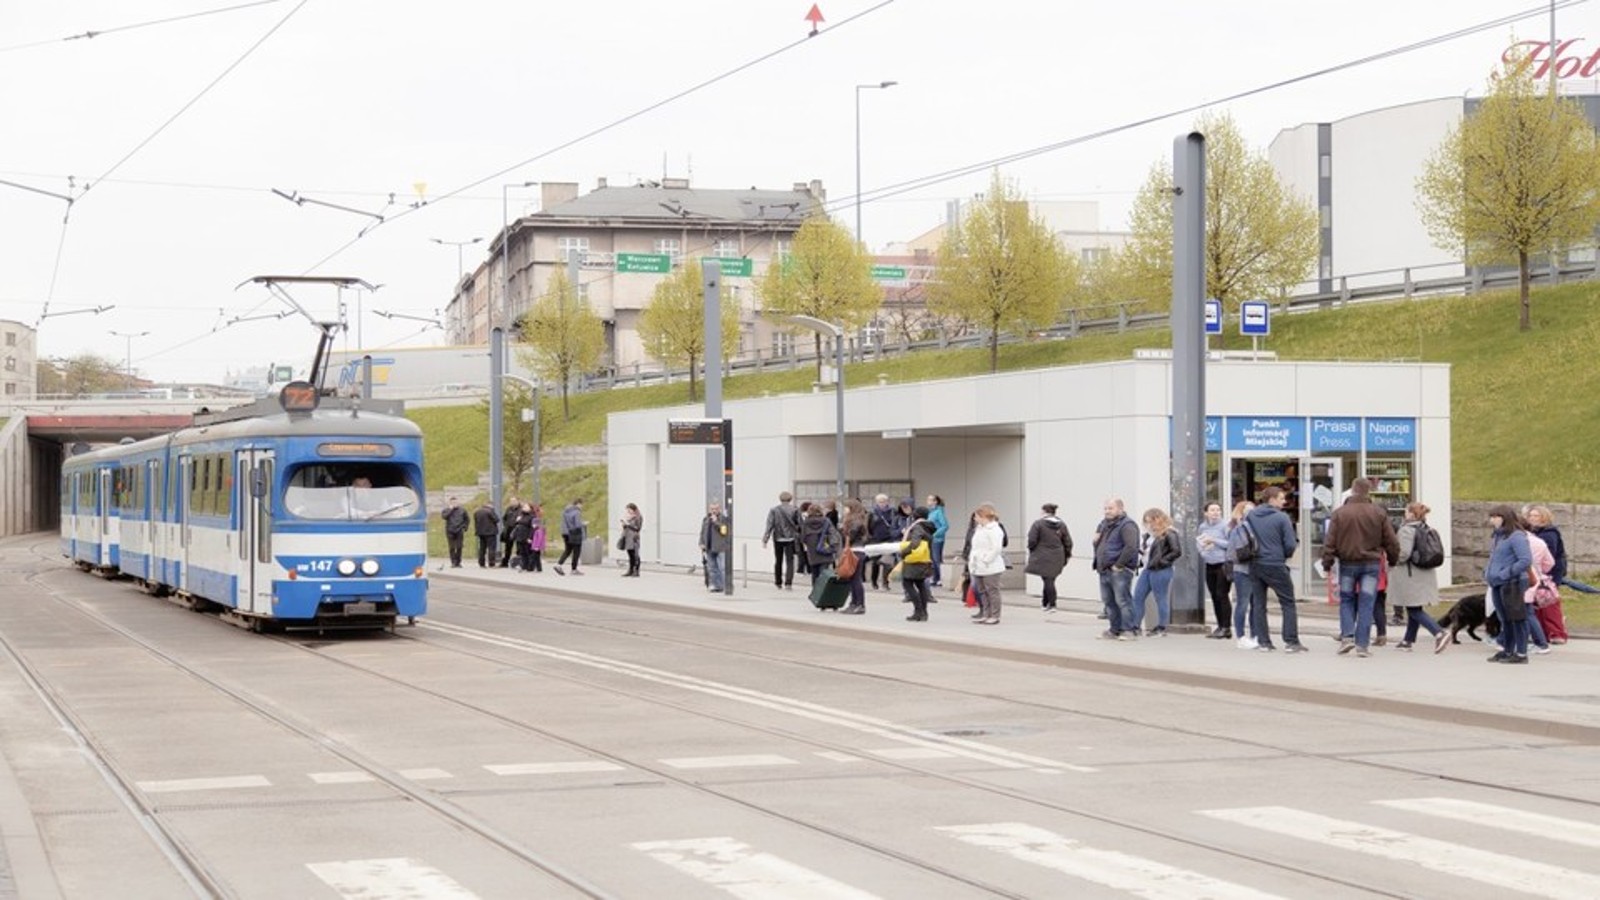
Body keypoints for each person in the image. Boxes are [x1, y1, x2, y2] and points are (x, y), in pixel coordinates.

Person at [1321, 478, 1400, 658]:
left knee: (1347, 600)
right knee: (1367, 602)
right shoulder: (1378, 513)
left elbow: (1329, 542)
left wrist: (1327, 563)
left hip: (1348, 562)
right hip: (1371, 564)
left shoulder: (1339, 513)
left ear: (1353, 490)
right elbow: (1391, 541)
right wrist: (1392, 561)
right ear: (1368, 491)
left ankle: (1347, 637)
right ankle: (1362, 645)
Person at [1248, 486, 1310, 654]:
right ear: (1272, 499)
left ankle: (1263, 641)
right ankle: (1291, 641)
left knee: (1259, 604)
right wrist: (1284, 555)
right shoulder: (1281, 517)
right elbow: (1290, 544)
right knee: (1288, 602)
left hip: (1254, 563)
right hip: (1275, 563)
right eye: (1281, 499)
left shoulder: (1252, 515)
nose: (1284, 502)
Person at [1390, 503, 1444, 652]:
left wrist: (1392, 559)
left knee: (1413, 609)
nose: (1404, 514)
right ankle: (1408, 640)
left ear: (1412, 515)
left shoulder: (1407, 530)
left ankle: (1439, 632)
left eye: (1406, 512)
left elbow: (1404, 553)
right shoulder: (1427, 529)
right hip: (1424, 573)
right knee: (1414, 606)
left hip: (1410, 575)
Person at [1484, 504, 1533, 664]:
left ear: (1504, 517)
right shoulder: (1499, 536)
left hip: (1513, 582)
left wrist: (1505, 573)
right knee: (1504, 618)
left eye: (1495, 517)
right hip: (1497, 583)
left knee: (1517, 618)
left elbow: (1525, 560)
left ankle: (1521, 653)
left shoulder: (1517, 536)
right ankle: (1507, 650)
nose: (1492, 520)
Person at [1523, 505, 1573, 643]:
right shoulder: (1535, 533)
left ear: (1544, 518)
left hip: (1549, 573)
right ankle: (1543, 632)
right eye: (1531, 516)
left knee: (1549, 603)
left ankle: (1556, 633)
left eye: (1536, 516)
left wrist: (1545, 573)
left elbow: (1549, 557)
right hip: (1540, 572)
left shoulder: (1549, 534)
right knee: (1538, 603)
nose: (1532, 518)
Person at [1092, 498, 1141, 640]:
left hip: (1120, 570)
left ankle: (1129, 630)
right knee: (1109, 601)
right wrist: (1095, 542)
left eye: (1110, 508)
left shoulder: (1127, 525)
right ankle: (1114, 629)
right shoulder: (1104, 525)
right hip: (1104, 568)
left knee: (1123, 600)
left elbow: (1131, 547)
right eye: (1106, 508)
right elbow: (1100, 545)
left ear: (1120, 508)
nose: (1107, 511)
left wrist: (1119, 565)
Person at [1130, 508, 1182, 636]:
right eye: (1146, 522)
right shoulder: (1149, 535)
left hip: (1161, 569)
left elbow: (1176, 551)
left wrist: (1162, 562)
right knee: (1138, 596)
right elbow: (1148, 551)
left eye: (1151, 521)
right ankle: (1135, 626)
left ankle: (1162, 627)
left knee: (1161, 598)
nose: (1149, 525)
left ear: (1158, 520)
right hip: (1148, 568)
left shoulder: (1169, 533)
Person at [1025, 503, 1073, 612]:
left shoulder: (1038, 524)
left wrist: (1033, 550)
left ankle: (1052, 604)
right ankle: (1045, 603)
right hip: (1057, 555)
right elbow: (1068, 541)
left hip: (1042, 554)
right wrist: (1067, 554)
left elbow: (1032, 540)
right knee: (1049, 579)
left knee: (1048, 579)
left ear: (1044, 511)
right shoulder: (1062, 524)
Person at [1197, 501, 1233, 638]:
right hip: (1209, 562)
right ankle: (1219, 626)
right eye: (1212, 510)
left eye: (1218, 510)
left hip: (1222, 564)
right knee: (1214, 596)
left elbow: (1231, 544)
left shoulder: (1225, 526)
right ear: (1206, 513)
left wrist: (1215, 540)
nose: (1215, 513)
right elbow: (1199, 542)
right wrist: (1202, 552)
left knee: (1222, 594)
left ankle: (1226, 627)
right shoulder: (1203, 527)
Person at [967, 503, 1007, 624]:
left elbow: (996, 548)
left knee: (992, 590)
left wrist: (986, 559)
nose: (975, 519)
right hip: (978, 565)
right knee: (982, 591)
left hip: (990, 566)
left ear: (983, 516)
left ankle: (995, 615)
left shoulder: (994, 529)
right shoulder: (979, 529)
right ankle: (986, 613)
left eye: (977, 516)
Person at [1226, 501, 1258, 648]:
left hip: (1255, 569)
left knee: (1256, 604)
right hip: (1243, 570)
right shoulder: (1239, 528)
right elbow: (1233, 552)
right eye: (1248, 511)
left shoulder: (1256, 527)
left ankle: (1255, 634)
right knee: (1243, 604)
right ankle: (1241, 636)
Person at [761, 491, 802, 590]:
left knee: (778, 560)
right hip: (791, 538)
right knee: (790, 561)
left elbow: (769, 525)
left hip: (778, 538)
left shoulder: (774, 510)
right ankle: (788, 583)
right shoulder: (795, 509)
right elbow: (800, 524)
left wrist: (765, 539)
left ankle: (778, 582)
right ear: (790, 499)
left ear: (780, 499)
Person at [839, 499, 870, 614]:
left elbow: (851, 535)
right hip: (855, 550)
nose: (844, 510)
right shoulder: (857, 520)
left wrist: (843, 530)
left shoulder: (855, 521)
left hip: (855, 551)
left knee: (856, 579)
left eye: (846, 507)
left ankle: (859, 604)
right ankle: (854, 603)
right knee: (852, 579)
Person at [799, 502, 841, 585]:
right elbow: (833, 534)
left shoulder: (806, 523)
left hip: (812, 553)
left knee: (815, 574)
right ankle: (823, 593)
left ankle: (815, 593)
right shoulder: (826, 521)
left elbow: (803, 538)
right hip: (825, 550)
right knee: (824, 574)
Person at [866, 495, 899, 590]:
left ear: (888, 501)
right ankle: (874, 581)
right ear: (876, 502)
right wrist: (870, 538)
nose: (882, 503)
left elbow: (895, 523)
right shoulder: (872, 513)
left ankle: (885, 583)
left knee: (887, 562)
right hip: (875, 540)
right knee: (875, 562)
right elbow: (868, 527)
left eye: (884, 501)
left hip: (889, 539)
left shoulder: (893, 512)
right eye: (880, 501)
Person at [698, 500, 730, 593]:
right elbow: (702, 532)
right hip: (709, 547)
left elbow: (724, 531)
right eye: (712, 509)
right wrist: (701, 542)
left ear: (719, 509)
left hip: (720, 547)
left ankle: (725, 586)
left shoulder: (723, 519)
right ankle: (716, 585)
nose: (714, 511)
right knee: (712, 568)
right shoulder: (706, 519)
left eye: (716, 509)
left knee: (722, 568)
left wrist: (716, 522)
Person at [554, 498, 585, 576]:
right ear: (578, 504)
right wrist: (583, 524)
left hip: (566, 533)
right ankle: (574, 569)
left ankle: (558, 564)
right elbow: (577, 525)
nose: (582, 507)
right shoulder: (576, 512)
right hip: (575, 534)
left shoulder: (565, 511)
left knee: (568, 550)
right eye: (581, 505)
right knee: (576, 551)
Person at [926, 494, 949, 588]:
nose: (928, 502)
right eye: (928, 500)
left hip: (937, 539)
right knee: (932, 559)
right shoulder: (930, 512)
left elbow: (945, 525)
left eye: (931, 500)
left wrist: (934, 534)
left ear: (935, 502)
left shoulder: (939, 512)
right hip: (930, 539)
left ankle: (940, 578)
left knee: (937, 559)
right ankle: (934, 578)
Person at [440, 496, 468, 567]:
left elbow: (467, 519)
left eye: (456, 502)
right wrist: (451, 509)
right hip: (450, 530)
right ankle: (453, 562)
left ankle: (458, 562)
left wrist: (465, 527)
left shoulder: (462, 510)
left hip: (459, 530)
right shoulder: (446, 510)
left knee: (459, 547)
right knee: (452, 547)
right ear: (450, 503)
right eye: (453, 502)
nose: (455, 503)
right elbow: (444, 517)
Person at [472, 500, 500, 567]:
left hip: (481, 533)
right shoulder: (490, 511)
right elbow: (497, 519)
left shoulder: (477, 512)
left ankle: (481, 563)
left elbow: (476, 521)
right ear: (489, 505)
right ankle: (491, 563)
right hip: (491, 532)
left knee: (482, 548)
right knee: (491, 548)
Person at [620, 503, 643, 577]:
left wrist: (628, 525)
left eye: (629, 510)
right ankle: (630, 570)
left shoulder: (638, 517)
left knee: (635, 554)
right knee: (630, 554)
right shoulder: (628, 517)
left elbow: (638, 528)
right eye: (627, 510)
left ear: (633, 509)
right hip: (627, 537)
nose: (628, 512)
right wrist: (624, 525)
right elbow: (626, 527)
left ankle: (636, 571)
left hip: (634, 537)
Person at [499, 496, 522, 568]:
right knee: (508, 547)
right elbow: (504, 518)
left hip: (518, 529)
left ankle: (519, 562)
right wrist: (506, 525)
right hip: (509, 530)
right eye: (511, 501)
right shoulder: (509, 509)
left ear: (518, 501)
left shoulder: (521, 509)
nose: (512, 503)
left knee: (519, 547)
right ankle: (505, 562)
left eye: (514, 501)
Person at [524, 504, 546, 572]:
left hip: (535, 539)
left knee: (533, 554)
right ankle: (539, 568)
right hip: (538, 538)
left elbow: (533, 529)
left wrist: (530, 538)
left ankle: (530, 568)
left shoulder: (535, 520)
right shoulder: (541, 520)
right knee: (536, 554)